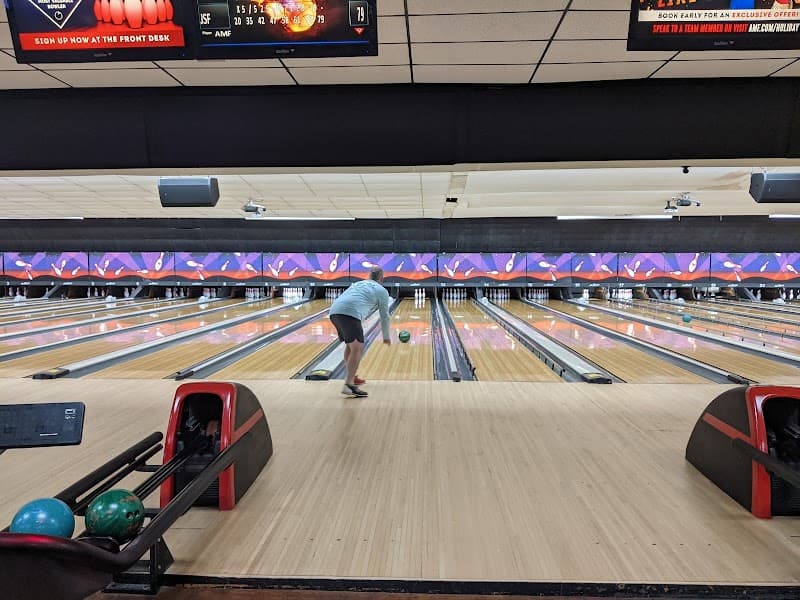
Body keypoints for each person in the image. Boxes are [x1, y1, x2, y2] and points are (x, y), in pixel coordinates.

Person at [329, 266, 391, 398]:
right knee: (357, 347)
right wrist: (386, 336)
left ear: (369, 276)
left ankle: (353, 377)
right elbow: (385, 315)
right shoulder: (382, 291)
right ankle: (349, 384)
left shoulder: (358, 284)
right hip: (350, 314)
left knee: (351, 346)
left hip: (334, 312)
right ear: (381, 278)